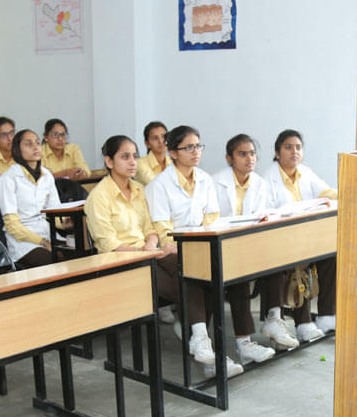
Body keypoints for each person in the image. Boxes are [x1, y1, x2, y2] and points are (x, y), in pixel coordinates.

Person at [85, 135, 221, 368]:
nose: (132, 162)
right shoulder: (98, 196)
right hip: (120, 261)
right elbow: (108, 244)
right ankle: (199, 339)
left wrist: (150, 245)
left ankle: (199, 339)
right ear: (109, 162)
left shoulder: (139, 189)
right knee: (187, 282)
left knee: (196, 270)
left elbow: (151, 227)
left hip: (148, 253)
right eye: (125, 157)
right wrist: (145, 252)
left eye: (135, 156)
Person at [213, 133, 298, 355]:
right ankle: (244, 344)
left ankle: (274, 318)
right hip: (223, 246)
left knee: (277, 258)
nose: (249, 158)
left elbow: (262, 217)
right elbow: (211, 220)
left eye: (252, 153)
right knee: (240, 271)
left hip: (249, 244)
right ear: (229, 158)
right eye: (242, 154)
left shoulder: (259, 184)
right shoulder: (215, 182)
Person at [263, 129, 338, 341]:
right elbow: (268, 212)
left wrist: (347, 192)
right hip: (282, 239)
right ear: (278, 153)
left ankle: (325, 315)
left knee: (331, 256)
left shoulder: (305, 172)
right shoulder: (269, 178)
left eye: (298, 147)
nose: (294, 151)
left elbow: (324, 192)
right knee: (299, 261)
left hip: (305, 236)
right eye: (288, 147)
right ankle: (303, 323)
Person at [0, 129, 61, 268]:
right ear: (17, 149)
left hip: (47, 233)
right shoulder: (7, 179)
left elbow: (55, 211)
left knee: (79, 255)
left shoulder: (47, 175)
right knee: (54, 262)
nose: (35, 147)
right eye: (28, 144)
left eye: (37, 143)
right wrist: (42, 242)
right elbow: (13, 226)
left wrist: (66, 222)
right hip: (24, 242)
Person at [134, 121, 172, 185]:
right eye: (155, 138)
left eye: (163, 137)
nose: (161, 141)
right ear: (147, 143)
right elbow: (157, 186)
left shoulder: (173, 162)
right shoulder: (139, 163)